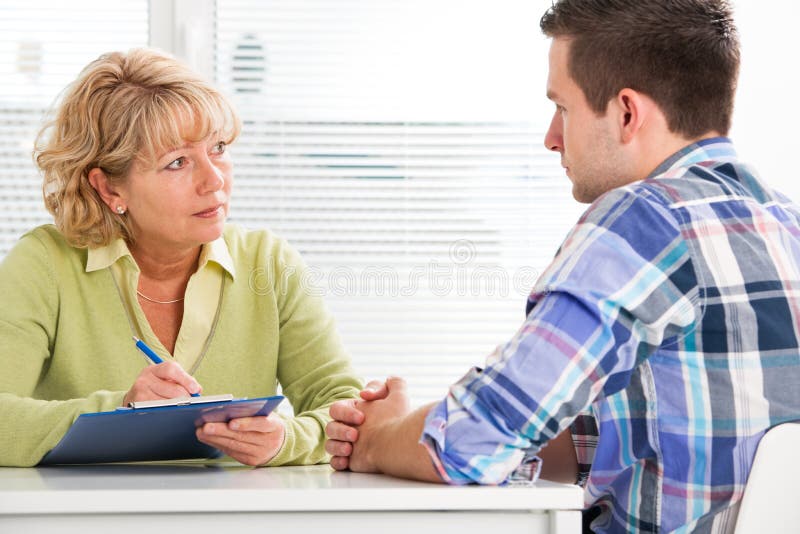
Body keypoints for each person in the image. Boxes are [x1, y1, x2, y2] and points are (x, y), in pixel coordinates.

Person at [324, 0, 800, 532]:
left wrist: (378, 441)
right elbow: (670, 433)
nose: (552, 136)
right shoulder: (784, 222)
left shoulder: (643, 222)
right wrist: (414, 426)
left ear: (626, 112)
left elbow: (466, 445)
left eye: (563, 107)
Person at [0, 48, 361, 468]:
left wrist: (286, 440)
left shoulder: (270, 262)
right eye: (177, 163)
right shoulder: (45, 264)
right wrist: (121, 410)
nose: (214, 180)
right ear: (110, 190)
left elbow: (344, 409)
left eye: (219, 147)